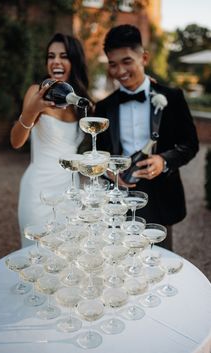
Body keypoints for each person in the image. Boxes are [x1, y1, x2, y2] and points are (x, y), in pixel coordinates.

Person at [84, 24, 199, 250]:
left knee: (161, 262)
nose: (120, 71)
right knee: (120, 261)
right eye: (113, 64)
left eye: (127, 61)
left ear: (143, 57)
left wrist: (164, 161)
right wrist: (109, 170)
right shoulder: (104, 107)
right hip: (118, 197)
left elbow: (190, 144)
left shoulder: (172, 98)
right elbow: (96, 150)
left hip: (161, 196)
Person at [10, 33, 92, 247]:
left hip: (70, 191)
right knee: (37, 258)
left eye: (63, 56)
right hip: (39, 190)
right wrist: (33, 110)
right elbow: (16, 141)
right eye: (51, 56)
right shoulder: (36, 93)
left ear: (74, 61)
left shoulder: (81, 101)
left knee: (70, 257)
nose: (55, 61)